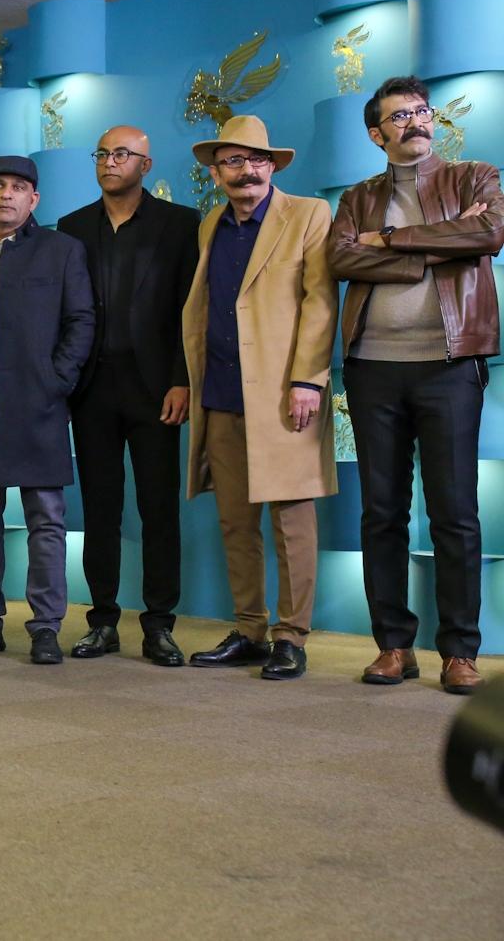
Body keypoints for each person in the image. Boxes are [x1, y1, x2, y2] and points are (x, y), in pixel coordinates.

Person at [326, 75, 504, 695]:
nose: (416, 121)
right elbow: (340, 258)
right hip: (371, 367)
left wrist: (388, 241)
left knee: (455, 512)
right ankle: (393, 646)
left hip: (450, 365)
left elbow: (488, 234)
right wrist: (440, 245)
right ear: (377, 134)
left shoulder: (474, 178)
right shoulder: (357, 197)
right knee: (382, 512)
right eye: (400, 116)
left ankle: (459, 651)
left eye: (422, 111)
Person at [182, 116, 337, 681]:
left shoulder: (309, 215)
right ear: (216, 172)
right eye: (232, 160)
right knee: (234, 521)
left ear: (272, 166)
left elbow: (320, 301)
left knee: (292, 521)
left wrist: (308, 380)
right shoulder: (210, 224)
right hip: (221, 392)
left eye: (256, 159)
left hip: (284, 394)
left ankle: (291, 637)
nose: (245, 170)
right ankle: (250, 629)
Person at [57, 126, 199, 665]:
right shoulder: (71, 227)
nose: (110, 162)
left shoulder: (180, 224)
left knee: (159, 508)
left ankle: (160, 624)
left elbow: (191, 308)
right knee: (100, 509)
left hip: (158, 387)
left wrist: (183, 378)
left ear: (146, 164)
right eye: (103, 153)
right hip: (92, 388)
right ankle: (102, 621)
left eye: (122, 154)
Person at [0, 156, 94, 665]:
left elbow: (81, 320)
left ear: (34, 199)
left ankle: (46, 626)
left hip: (39, 406)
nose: (6, 194)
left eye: (18, 187)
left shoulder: (61, 250)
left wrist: (56, 381)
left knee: (46, 521)